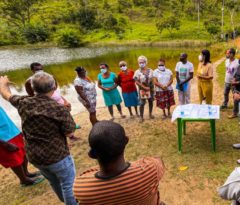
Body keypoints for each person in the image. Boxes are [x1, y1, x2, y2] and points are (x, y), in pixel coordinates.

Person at [0, 72, 77, 205]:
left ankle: (66, 201)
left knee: (54, 181)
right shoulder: (58, 109)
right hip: (57, 155)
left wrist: (3, 84)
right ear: (53, 87)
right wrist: (67, 112)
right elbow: (69, 131)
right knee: (68, 185)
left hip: (35, 156)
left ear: (33, 88)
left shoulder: (23, 102)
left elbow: (6, 95)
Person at [73, 121, 165, 205]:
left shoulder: (81, 188)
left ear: (92, 155)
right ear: (126, 141)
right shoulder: (150, 169)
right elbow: (158, 161)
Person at [0, 106, 44, 186]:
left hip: (12, 130)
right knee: (13, 159)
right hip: (3, 138)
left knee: (24, 152)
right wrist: (3, 143)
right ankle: (24, 180)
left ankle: (26, 173)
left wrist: (17, 130)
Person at [134, 55, 154, 122]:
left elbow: (152, 79)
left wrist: (151, 88)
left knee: (150, 101)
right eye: (140, 62)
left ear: (146, 62)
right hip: (142, 89)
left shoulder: (150, 70)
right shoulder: (137, 72)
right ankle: (141, 117)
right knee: (142, 103)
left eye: (142, 62)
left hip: (150, 89)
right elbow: (136, 81)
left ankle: (150, 114)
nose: (141, 64)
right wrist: (144, 87)